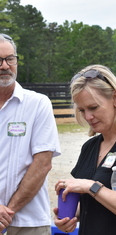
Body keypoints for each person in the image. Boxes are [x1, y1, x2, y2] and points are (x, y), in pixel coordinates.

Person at [53, 64, 116, 235]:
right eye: (82, 110)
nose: (88, 117)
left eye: (93, 107)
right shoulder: (90, 146)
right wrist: (68, 216)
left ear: (115, 98)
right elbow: (89, 204)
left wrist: (91, 186)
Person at [0, 33, 61, 235]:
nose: (5, 66)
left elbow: (43, 164)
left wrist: (7, 213)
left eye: (10, 58)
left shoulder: (38, 104)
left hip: (29, 222)